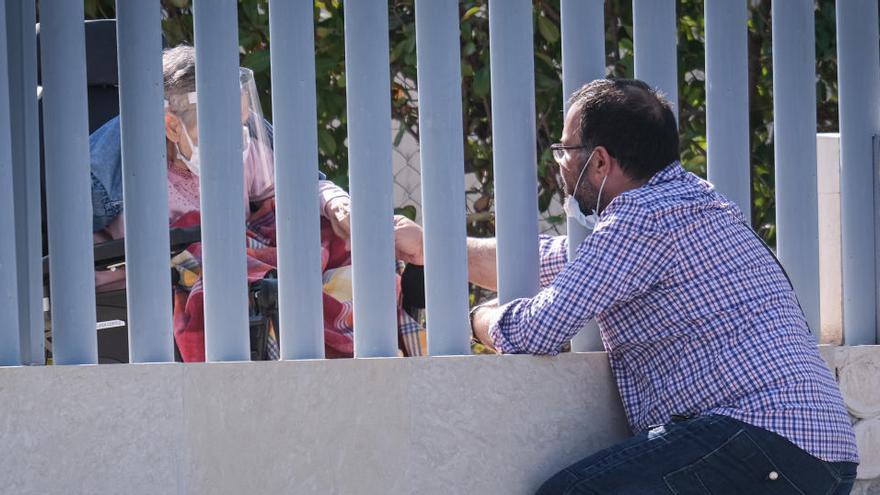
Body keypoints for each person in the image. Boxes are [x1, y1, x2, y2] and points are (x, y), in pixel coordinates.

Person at [395, 79, 859, 494]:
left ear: (598, 161)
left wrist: (477, 317)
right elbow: (552, 263)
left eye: (564, 151)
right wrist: (432, 249)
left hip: (757, 441)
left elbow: (535, 333)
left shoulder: (639, 219)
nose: (560, 164)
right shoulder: (696, 200)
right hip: (821, 453)